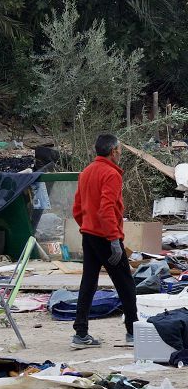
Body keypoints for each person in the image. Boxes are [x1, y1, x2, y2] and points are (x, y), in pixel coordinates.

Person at [71, 134, 139, 348]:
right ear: (113, 152)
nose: (120, 153)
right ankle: (133, 331)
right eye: (120, 150)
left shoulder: (86, 172)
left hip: (89, 234)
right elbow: (107, 208)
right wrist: (113, 239)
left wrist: (88, 225)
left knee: (89, 282)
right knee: (125, 283)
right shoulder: (111, 174)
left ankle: (80, 333)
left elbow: (77, 208)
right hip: (105, 236)